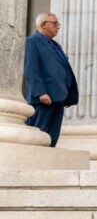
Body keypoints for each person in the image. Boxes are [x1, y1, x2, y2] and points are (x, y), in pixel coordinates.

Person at [23, 12, 78, 147]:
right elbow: (31, 70)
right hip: (43, 99)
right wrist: (40, 92)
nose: (58, 26)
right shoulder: (32, 42)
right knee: (38, 135)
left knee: (52, 137)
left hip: (58, 98)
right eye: (55, 23)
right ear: (43, 25)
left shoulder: (55, 45)